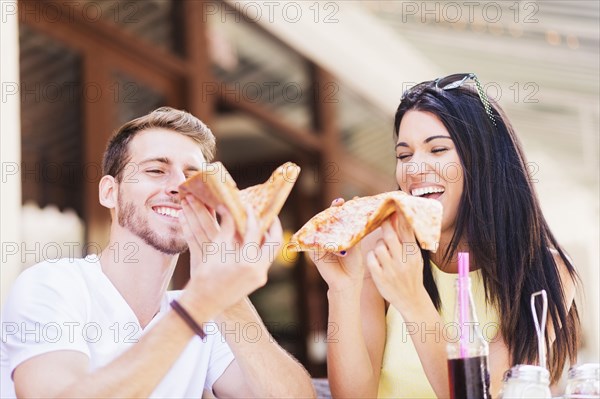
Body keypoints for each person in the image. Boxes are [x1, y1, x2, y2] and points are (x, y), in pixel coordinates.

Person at [1, 107, 316, 398]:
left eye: (193, 177)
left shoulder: (209, 315)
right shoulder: (53, 285)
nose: (180, 187)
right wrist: (203, 299)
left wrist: (228, 295)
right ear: (109, 192)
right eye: (156, 170)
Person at [311, 73, 580, 398]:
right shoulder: (381, 249)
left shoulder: (546, 274)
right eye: (404, 155)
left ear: (484, 162)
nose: (414, 168)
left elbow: (480, 394)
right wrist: (342, 289)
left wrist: (413, 301)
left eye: (437, 149)